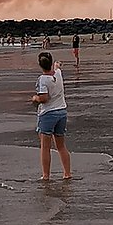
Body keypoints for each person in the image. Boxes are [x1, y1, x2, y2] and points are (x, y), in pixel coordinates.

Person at [32, 51, 71, 180]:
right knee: (61, 145)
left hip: (48, 113)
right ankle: (67, 173)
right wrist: (57, 64)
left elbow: (44, 98)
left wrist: (35, 98)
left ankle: (46, 175)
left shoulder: (42, 79)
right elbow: (57, 67)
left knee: (45, 147)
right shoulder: (58, 74)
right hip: (61, 111)